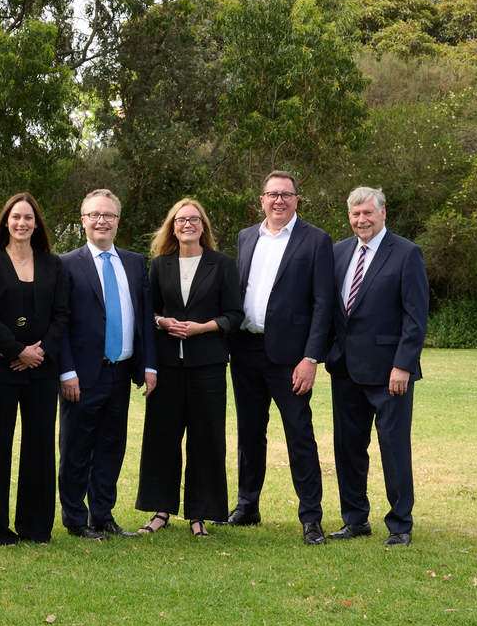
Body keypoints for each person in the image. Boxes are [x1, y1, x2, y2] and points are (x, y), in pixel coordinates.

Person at [221, 170, 335, 546]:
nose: (279, 201)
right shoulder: (245, 237)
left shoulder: (316, 240)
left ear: (297, 200)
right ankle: (247, 505)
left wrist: (311, 357)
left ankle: (311, 518)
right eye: (272, 194)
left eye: (286, 195)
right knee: (249, 434)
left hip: (291, 358)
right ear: (261, 200)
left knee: (299, 434)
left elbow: (324, 304)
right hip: (246, 351)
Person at [325, 187, 429, 547]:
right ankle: (355, 520)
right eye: (355, 214)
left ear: (383, 213)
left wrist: (403, 364)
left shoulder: (406, 254)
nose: (361, 220)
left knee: (393, 447)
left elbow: (415, 318)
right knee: (348, 447)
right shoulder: (338, 253)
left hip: (390, 374)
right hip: (346, 370)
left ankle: (400, 524)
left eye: (368, 213)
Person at [135, 199, 243, 538]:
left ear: (203, 226)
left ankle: (200, 513)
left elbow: (235, 316)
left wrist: (203, 327)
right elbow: (147, 312)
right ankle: (160, 511)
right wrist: (161, 321)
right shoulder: (160, 265)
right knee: (161, 437)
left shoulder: (223, 264)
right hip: (167, 365)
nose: (187, 225)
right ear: (172, 226)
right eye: (181, 220)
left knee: (206, 438)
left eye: (194, 219)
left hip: (207, 364)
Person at [58, 188, 157, 540]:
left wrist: (149, 365)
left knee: (111, 447)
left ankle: (103, 515)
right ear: (83, 220)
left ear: (118, 221)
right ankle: (75, 519)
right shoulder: (67, 264)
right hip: (82, 376)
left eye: (109, 215)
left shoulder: (133, 262)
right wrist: (66, 371)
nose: (102, 221)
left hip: (121, 371)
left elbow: (143, 317)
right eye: (95, 215)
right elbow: (61, 323)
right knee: (76, 448)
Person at [0, 193, 69, 545]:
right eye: (16, 217)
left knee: (40, 445)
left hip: (42, 370)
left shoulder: (52, 264)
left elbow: (62, 314)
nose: (22, 223)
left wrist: (40, 351)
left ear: (36, 223)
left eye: (28, 218)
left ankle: (35, 526)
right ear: (6, 222)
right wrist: (16, 350)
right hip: (1, 368)